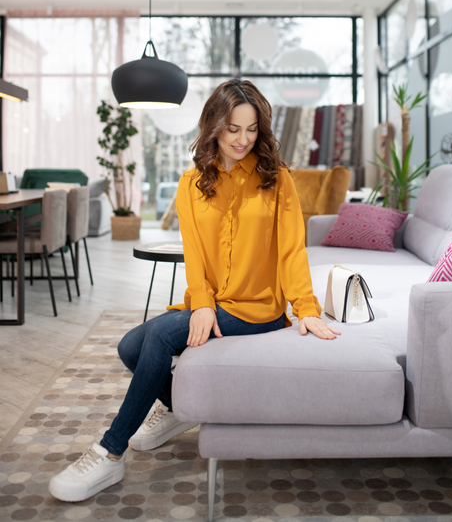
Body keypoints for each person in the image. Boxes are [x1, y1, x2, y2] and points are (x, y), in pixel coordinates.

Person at [49, 78, 340, 503]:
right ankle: (174, 410)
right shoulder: (191, 184)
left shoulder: (276, 180)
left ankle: (109, 452)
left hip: (257, 308)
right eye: (232, 128)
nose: (242, 139)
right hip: (217, 303)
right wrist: (202, 304)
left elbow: (292, 250)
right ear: (214, 126)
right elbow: (196, 256)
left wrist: (307, 307)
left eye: (252, 129)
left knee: (163, 335)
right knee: (130, 347)